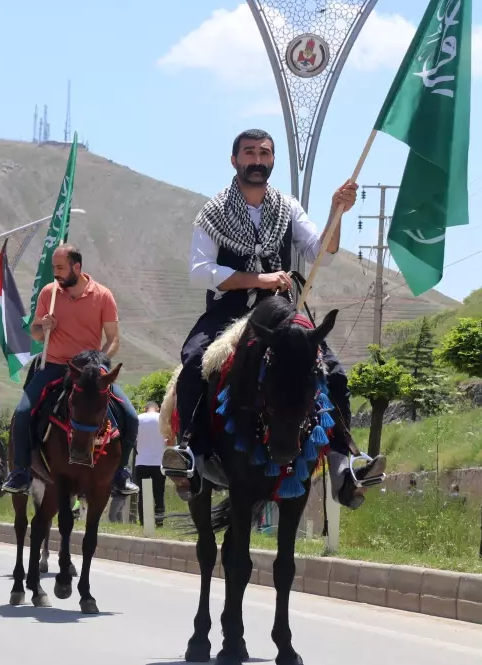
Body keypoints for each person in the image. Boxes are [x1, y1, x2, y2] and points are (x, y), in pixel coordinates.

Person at [160, 128, 384, 508]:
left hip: (280, 313)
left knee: (335, 370)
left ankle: (344, 459)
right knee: (196, 359)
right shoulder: (213, 212)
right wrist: (258, 279)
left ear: (272, 161)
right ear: (234, 160)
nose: (258, 161)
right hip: (228, 310)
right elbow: (201, 271)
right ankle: (191, 454)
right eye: (250, 153)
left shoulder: (287, 206)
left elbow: (321, 252)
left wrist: (336, 211)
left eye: (265, 154)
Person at [2, 247, 139, 495]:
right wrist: (43, 327)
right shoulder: (49, 293)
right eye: (54, 268)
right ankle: (20, 472)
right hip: (54, 366)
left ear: (77, 267)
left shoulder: (103, 295)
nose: (55, 274)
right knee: (22, 412)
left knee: (130, 415)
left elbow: (113, 339)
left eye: (60, 268)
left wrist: (99, 363)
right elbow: (34, 334)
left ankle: (121, 473)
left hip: (90, 370)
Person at [134, 401, 166, 527]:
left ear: (145, 408)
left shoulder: (138, 418)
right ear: (158, 408)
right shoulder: (162, 419)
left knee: (143, 494)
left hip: (141, 461)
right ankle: (159, 522)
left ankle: (144, 522)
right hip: (159, 462)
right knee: (159, 493)